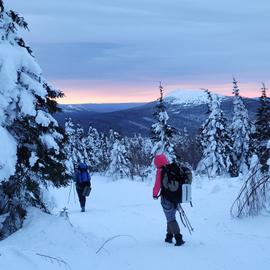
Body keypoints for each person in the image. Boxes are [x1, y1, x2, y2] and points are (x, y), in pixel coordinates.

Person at [153, 154, 185, 246]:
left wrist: (154, 195)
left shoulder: (160, 171)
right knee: (170, 217)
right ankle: (169, 236)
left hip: (166, 199)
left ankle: (178, 238)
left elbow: (157, 185)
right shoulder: (172, 169)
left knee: (170, 218)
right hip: (175, 198)